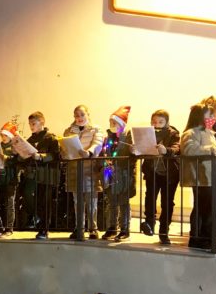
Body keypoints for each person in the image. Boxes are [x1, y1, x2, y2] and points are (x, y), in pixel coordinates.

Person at [181, 104, 216, 249]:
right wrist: (214, 150)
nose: (213, 117)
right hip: (200, 176)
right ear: (199, 116)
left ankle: (206, 237)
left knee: (210, 205)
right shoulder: (191, 132)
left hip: (211, 175)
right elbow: (189, 149)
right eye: (209, 115)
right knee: (205, 206)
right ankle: (199, 238)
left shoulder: (209, 133)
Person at [62, 105, 104, 240]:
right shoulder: (68, 131)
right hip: (74, 170)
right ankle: (79, 227)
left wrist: (89, 152)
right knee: (77, 202)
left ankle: (93, 228)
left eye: (82, 115)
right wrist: (65, 153)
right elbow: (64, 147)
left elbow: (98, 143)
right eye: (76, 115)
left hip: (90, 170)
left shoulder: (95, 129)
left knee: (91, 202)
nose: (79, 118)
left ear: (88, 115)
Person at [140, 110, 180, 245]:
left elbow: (177, 148)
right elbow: (142, 148)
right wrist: (135, 150)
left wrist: (166, 150)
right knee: (150, 198)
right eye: (154, 122)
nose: (156, 124)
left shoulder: (173, 133)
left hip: (169, 174)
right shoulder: (148, 133)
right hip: (152, 172)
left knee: (167, 202)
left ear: (166, 122)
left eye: (160, 122)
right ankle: (149, 224)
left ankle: (164, 231)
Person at [22, 111, 60, 240]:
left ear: (42, 122)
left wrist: (41, 157)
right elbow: (25, 158)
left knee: (45, 201)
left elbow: (55, 155)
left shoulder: (51, 138)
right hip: (33, 175)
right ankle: (36, 220)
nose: (31, 126)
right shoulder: (30, 140)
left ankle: (44, 229)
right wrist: (20, 154)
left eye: (33, 123)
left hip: (47, 175)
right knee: (31, 197)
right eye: (29, 124)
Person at [100, 106, 136, 241]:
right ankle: (112, 227)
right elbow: (104, 153)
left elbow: (134, 154)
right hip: (110, 174)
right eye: (111, 122)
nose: (112, 125)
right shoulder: (108, 137)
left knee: (123, 202)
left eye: (115, 122)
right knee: (112, 202)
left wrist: (133, 151)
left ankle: (124, 229)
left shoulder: (129, 136)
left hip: (124, 174)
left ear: (122, 123)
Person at [0, 122, 19, 238]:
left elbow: (18, 160)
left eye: (5, 135)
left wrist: (6, 158)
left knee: (9, 204)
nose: (3, 137)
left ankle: (9, 228)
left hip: (10, 179)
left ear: (10, 135)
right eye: (2, 135)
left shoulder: (15, 146)